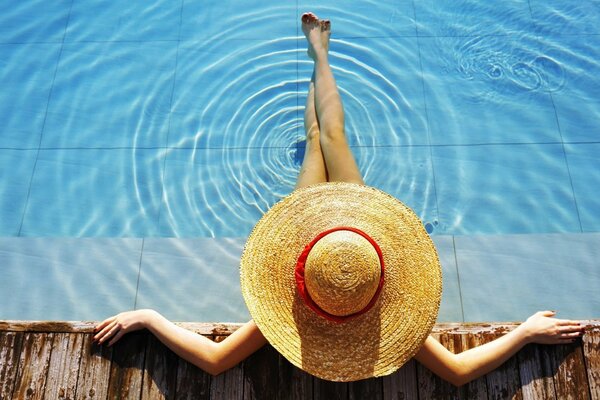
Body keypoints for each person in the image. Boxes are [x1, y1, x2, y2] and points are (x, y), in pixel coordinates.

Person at [94, 12, 584, 385]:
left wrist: (149, 317)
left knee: (321, 139)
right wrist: (521, 334)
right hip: (352, 234)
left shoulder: (289, 311)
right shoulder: (370, 314)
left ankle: (320, 54)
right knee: (331, 137)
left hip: (329, 234)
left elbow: (217, 362)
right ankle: (321, 55)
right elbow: (454, 374)